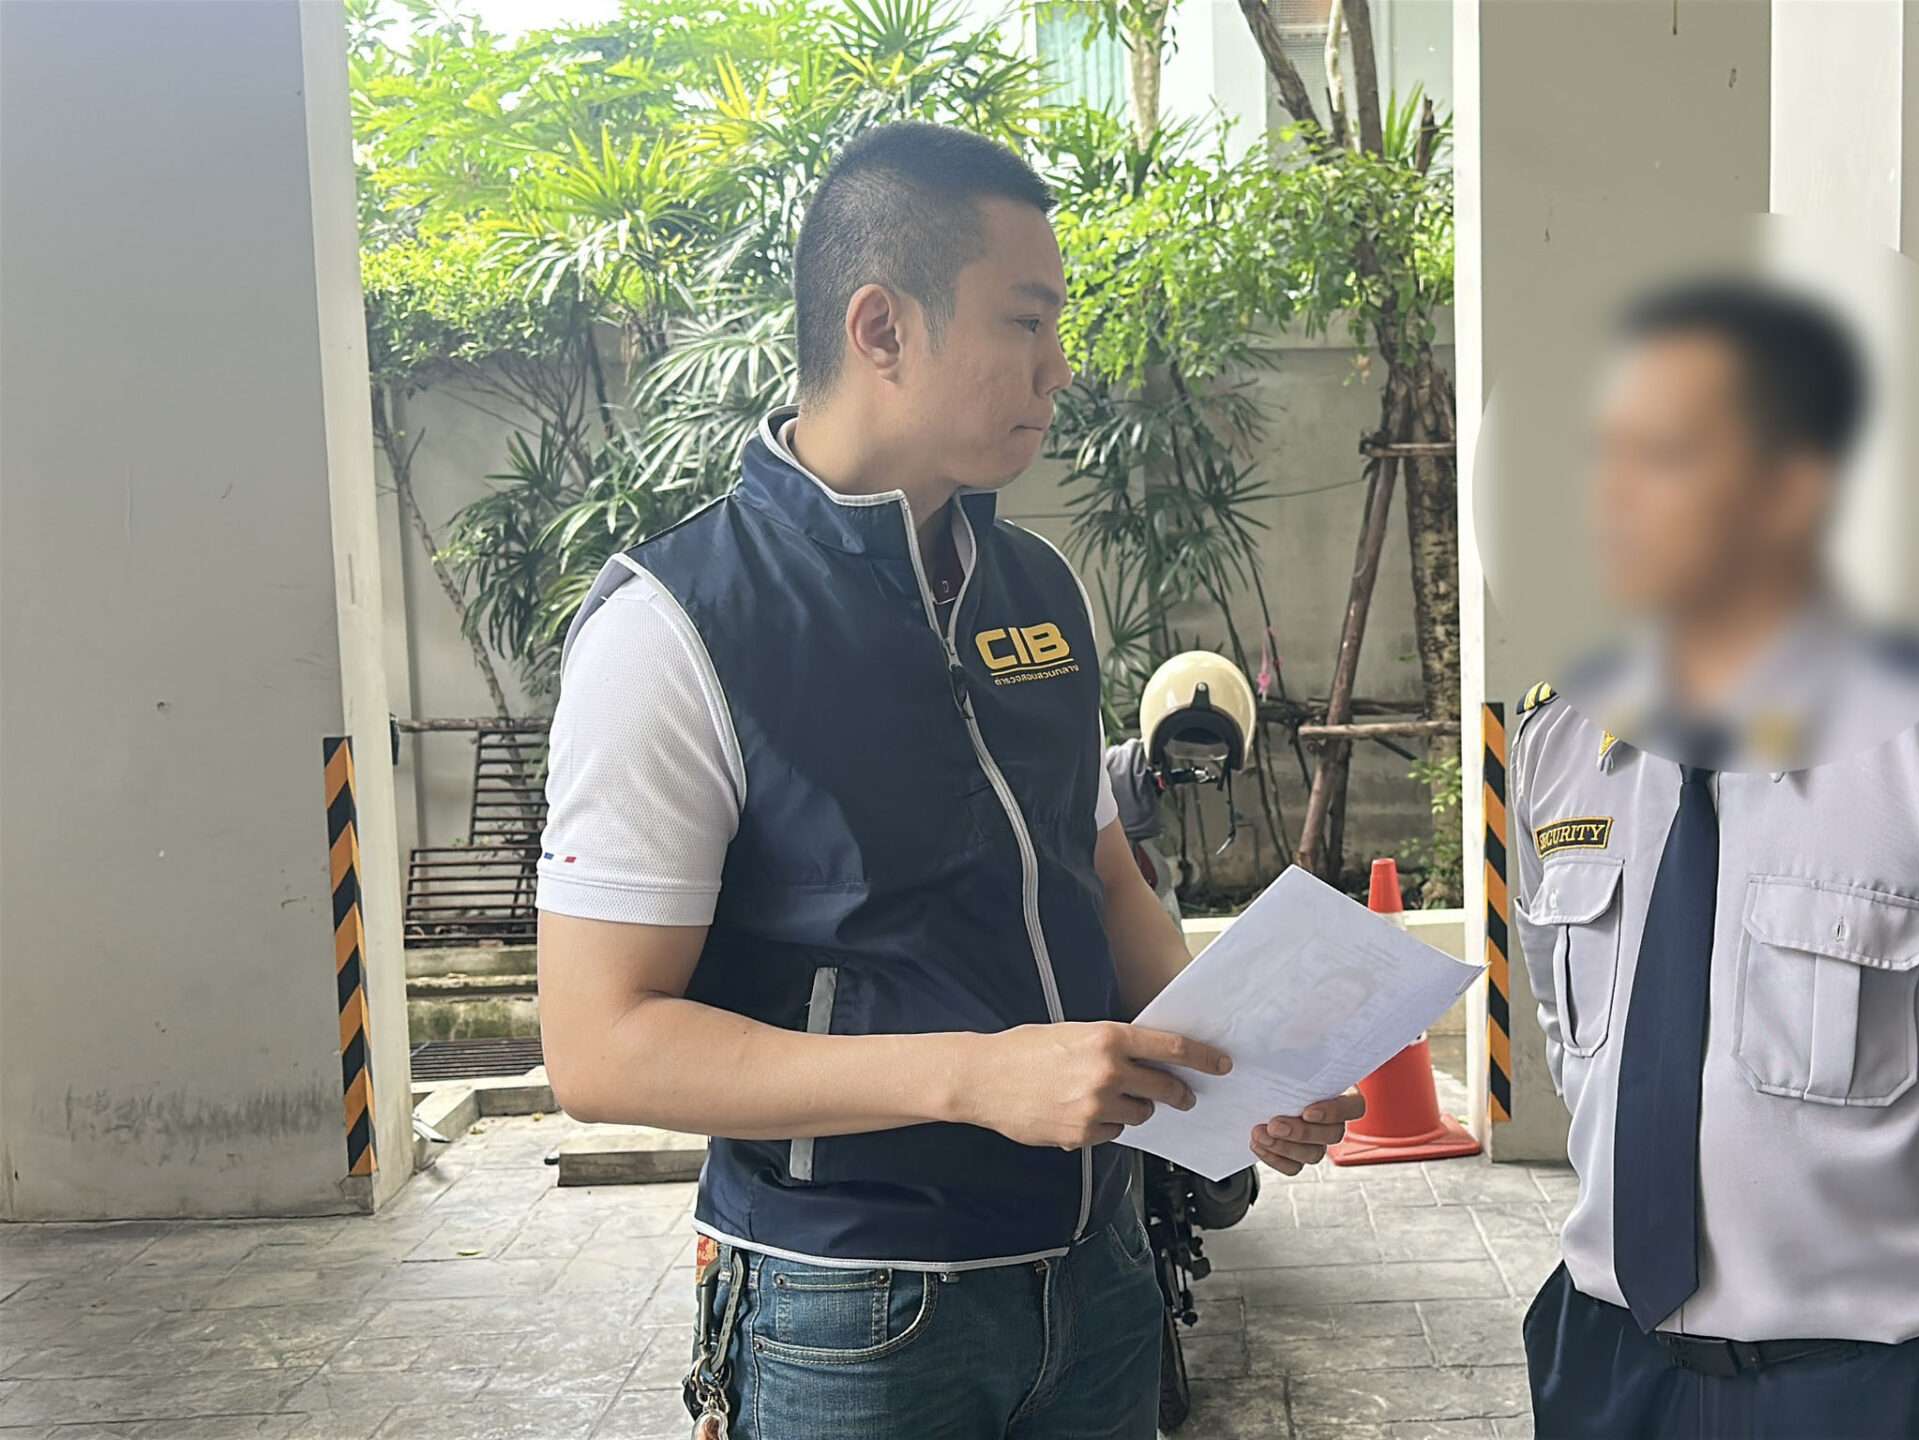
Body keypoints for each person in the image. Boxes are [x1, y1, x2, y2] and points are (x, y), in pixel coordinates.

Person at [531, 122, 1362, 1440]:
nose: (1059, 366)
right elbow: (599, 1046)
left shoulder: (1036, 588)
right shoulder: (679, 626)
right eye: (1025, 322)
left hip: (1098, 1279)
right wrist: (975, 1079)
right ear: (881, 328)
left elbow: (1101, 873)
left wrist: (1239, 1072)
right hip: (855, 1311)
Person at [1508, 279, 1919, 1438]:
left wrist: (1890, 1308)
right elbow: (1584, 1060)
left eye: (1665, 457)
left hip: (1870, 1387)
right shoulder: (1562, 742)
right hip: (1604, 1367)